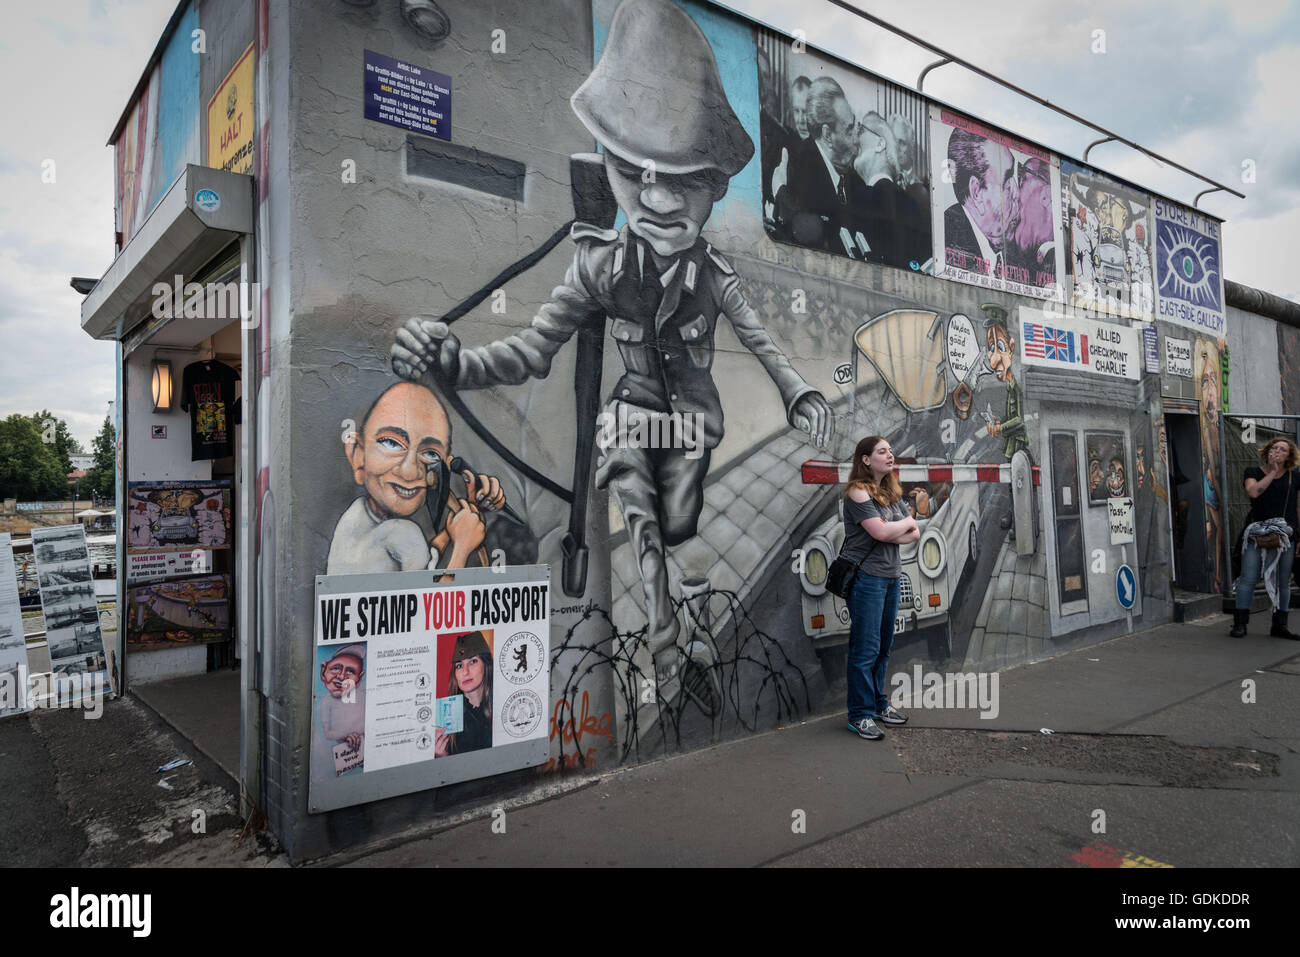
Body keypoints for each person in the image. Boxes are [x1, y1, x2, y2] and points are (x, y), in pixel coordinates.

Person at [392, 0, 833, 686]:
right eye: (634, 173)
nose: (656, 199)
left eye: (682, 179)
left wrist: (798, 389)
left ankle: (680, 601)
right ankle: (665, 640)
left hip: (691, 427)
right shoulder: (597, 266)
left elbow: (761, 338)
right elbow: (532, 348)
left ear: (714, 185)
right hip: (631, 417)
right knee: (640, 507)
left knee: (680, 528)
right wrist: (454, 361)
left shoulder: (711, 274)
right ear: (607, 164)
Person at [326, 381, 505, 574]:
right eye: (391, 443)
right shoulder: (403, 533)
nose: (410, 472)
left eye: (430, 454)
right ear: (357, 455)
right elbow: (431, 601)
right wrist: (462, 548)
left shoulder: (357, 517)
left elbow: (425, 560)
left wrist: (466, 517)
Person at [842, 435, 919, 740]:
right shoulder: (857, 492)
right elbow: (881, 531)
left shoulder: (890, 492)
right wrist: (895, 528)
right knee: (866, 649)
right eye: (882, 451)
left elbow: (913, 532)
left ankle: (877, 705)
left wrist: (891, 531)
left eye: (890, 451)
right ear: (865, 459)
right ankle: (859, 714)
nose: (890, 455)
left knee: (884, 646)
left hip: (890, 576)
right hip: (867, 580)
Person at [1230, 438, 1299, 639]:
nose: (1277, 451)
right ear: (1267, 451)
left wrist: (1299, 536)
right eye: (1274, 448)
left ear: (1289, 456)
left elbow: (1298, 508)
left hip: (1286, 534)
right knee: (1248, 577)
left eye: (1283, 449)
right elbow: (1253, 492)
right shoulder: (1253, 472)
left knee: (1283, 581)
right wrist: (1271, 472)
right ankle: (1240, 623)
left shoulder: (1295, 478)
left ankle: (1280, 625)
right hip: (1257, 532)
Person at [943, 129, 1015, 277]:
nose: (1016, 194)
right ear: (976, 191)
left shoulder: (1013, 254)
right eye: (1007, 182)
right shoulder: (946, 239)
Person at [436, 631, 494, 755]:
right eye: (459, 666)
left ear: (486, 665)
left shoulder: (501, 705)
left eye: (473, 662)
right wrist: (442, 758)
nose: (465, 672)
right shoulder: (445, 718)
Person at [316, 644, 366, 776]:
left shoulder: (363, 695)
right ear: (323, 671)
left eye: (350, 671)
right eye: (336, 668)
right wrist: (346, 736)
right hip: (340, 758)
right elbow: (328, 733)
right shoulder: (326, 701)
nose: (341, 676)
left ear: (359, 679)